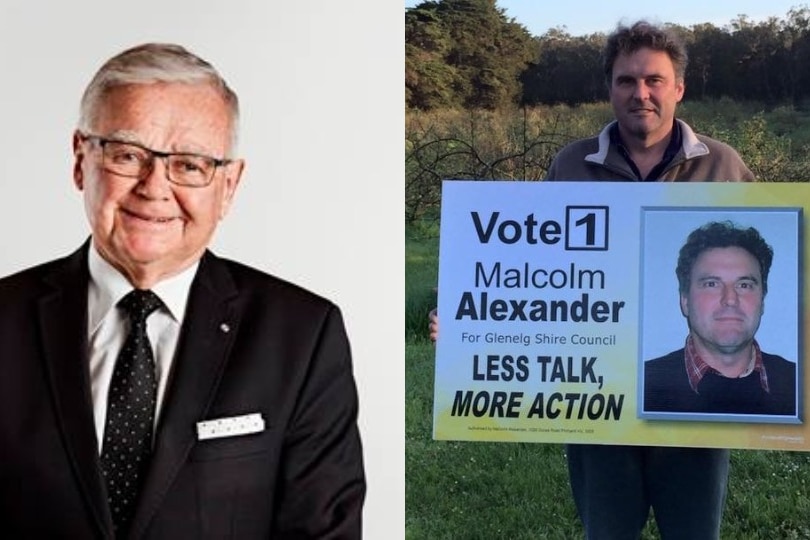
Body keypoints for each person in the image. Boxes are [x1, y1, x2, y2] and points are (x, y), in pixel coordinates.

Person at [0, 43, 365, 539]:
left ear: (229, 185)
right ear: (81, 159)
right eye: (128, 155)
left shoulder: (302, 337)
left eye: (190, 165)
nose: (154, 187)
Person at [430, 20, 754, 539]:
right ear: (609, 88)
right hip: (595, 401)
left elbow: (764, 258)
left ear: (679, 88)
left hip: (695, 401)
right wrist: (471, 327)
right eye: (626, 81)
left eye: (653, 80)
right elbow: (533, 273)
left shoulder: (723, 166)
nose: (640, 93)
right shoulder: (571, 165)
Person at [644, 221, 796, 416]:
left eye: (744, 285)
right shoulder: (641, 386)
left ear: (763, 300)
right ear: (685, 301)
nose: (730, 300)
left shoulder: (800, 384)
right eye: (711, 284)